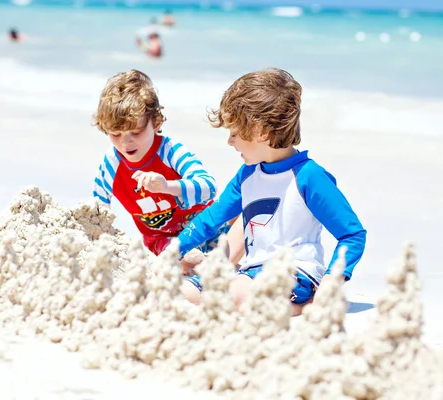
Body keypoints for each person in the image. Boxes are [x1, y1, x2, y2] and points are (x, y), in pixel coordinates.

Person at [177, 67, 367, 314]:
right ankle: (287, 306)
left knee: (231, 298)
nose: (230, 141)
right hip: (250, 270)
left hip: (294, 272)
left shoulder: (309, 177)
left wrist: (332, 280)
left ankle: (301, 307)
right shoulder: (247, 174)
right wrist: (173, 251)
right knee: (182, 293)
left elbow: (352, 234)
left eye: (234, 133)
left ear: (260, 131)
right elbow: (211, 219)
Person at [91, 69, 242, 261]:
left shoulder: (170, 151)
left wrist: (167, 186)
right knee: (190, 260)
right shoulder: (111, 165)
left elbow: (209, 187)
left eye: (135, 132)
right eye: (116, 134)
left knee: (244, 215)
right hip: (165, 240)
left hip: (206, 227)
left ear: (156, 122)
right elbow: (97, 213)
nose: (125, 142)